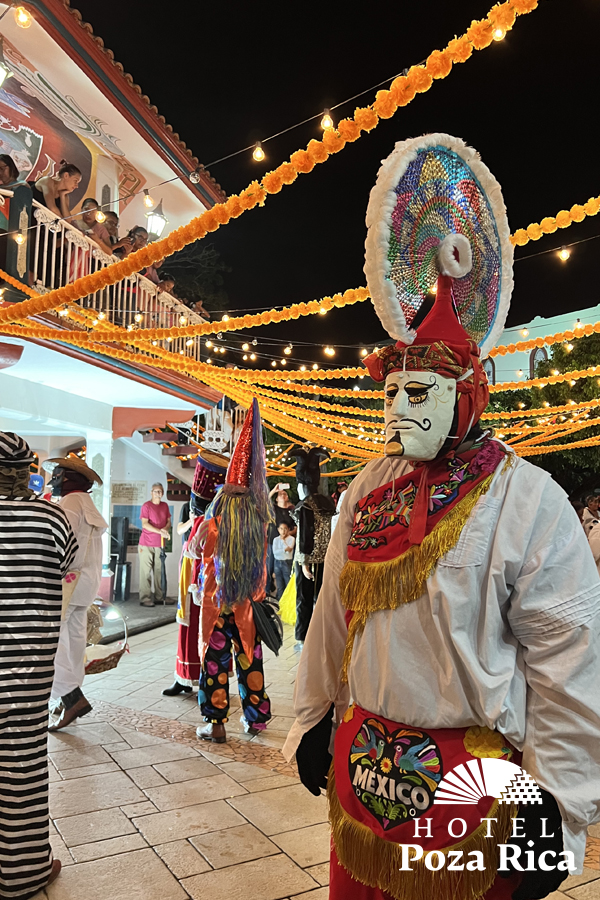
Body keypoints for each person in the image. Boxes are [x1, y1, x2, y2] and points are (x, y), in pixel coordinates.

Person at [284, 133, 600, 900]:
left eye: (418, 392)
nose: (399, 409)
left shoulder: (530, 501)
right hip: (360, 781)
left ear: (468, 393)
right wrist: (313, 717)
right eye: (392, 392)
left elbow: (569, 664)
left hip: (476, 802)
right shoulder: (365, 490)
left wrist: (557, 809)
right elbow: (332, 616)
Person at [0, 431, 77, 897]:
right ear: (27, 471)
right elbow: (65, 569)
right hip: (27, 666)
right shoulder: (50, 518)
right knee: (22, 764)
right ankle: (22, 871)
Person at [195, 399, 272, 744]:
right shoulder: (260, 524)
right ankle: (255, 720)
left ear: (223, 497)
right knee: (249, 661)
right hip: (248, 608)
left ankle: (216, 724)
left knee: (214, 663)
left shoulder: (211, 524)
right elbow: (264, 572)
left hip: (216, 605)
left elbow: (200, 558)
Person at [41, 457, 108, 730]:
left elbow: (57, 542)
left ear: (68, 478)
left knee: (50, 641)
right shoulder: (86, 502)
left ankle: (71, 698)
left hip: (67, 581)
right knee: (75, 641)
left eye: (56, 476)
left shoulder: (70, 503)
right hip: (87, 582)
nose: (52, 480)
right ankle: (68, 698)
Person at [163, 450, 229, 697]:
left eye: (196, 502)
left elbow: (201, 554)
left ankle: (202, 677)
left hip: (202, 588)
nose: (193, 506)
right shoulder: (202, 521)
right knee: (187, 630)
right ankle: (184, 677)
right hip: (190, 586)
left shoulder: (210, 523)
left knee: (199, 632)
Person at [290, 447, 335, 646]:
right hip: (327, 558)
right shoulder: (326, 503)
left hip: (309, 560)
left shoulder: (305, 506)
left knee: (304, 599)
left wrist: (304, 563)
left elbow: (304, 536)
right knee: (323, 598)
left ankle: (303, 636)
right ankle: (324, 633)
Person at [138, 483, 172, 607]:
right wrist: (160, 531)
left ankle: (160, 597)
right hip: (146, 544)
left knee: (159, 571)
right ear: (151, 492)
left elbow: (169, 522)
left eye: (160, 491)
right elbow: (144, 524)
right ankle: (145, 598)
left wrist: (165, 529)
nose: (158, 493)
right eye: (156, 491)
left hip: (160, 544)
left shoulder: (165, 506)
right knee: (145, 572)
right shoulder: (146, 506)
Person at [266, 483, 296, 595]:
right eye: (280, 494)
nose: (283, 495)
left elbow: (295, 527)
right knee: (269, 569)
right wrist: (274, 490)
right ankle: (266, 593)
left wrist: (288, 534)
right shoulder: (273, 509)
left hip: (286, 546)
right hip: (272, 543)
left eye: (284, 493)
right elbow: (265, 502)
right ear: (277, 499)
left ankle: (286, 595)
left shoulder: (291, 511)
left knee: (286, 571)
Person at [273, 521, 295, 600]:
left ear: (288, 529)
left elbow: (289, 550)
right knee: (279, 584)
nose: (283, 531)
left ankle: (288, 601)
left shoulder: (292, 539)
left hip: (287, 562)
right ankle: (280, 601)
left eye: (285, 529)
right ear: (278, 530)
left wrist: (283, 541)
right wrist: (284, 550)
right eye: (281, 529)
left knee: (288, 583)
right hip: (277, 562)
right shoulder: (275, 539)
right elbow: (275, 552)